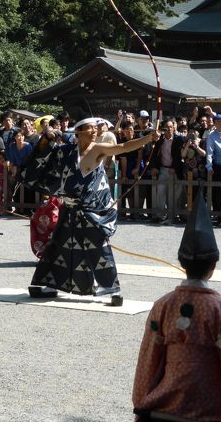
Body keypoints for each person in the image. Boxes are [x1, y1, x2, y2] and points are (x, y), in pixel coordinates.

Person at [22, 116, 160, 305]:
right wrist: (47, 137)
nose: (95, 131)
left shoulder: (97, 149)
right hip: (69, 208)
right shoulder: (66, 151)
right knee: (58, 247)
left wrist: (148, 138)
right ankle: (51, 285)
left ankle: (112, 290)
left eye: (96, 128)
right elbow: (43, 157)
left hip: (90, 211)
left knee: (98, 248)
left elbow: (123, 147)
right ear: (78, 132)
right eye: (90, 128)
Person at [132, 194, 221, 422]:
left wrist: (141, 405)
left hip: (163, 412)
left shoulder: (162, 307)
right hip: (209, 414)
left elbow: (148, 362)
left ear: (182, 265)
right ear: (213, 266)